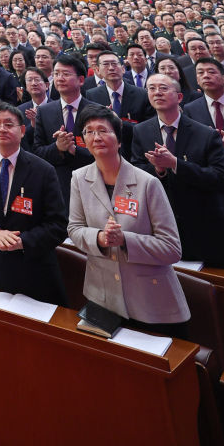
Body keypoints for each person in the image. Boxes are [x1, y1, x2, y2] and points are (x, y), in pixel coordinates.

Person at [68, 108, 189, 334]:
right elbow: (74, 229)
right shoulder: (79, 178)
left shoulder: (148, 183)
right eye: (89, 131)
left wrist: (124, 239)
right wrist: (100, 238)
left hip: (150, 301)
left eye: (103, 130)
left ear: (119, 139)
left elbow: (172, 248)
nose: (96, 137)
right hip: (104, 297)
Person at [0, 103, 67, 304]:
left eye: (9, 124)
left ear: (22, 130)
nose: (2, 129)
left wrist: (22, 241)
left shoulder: (43, 170)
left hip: (35, 268)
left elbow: (58, 225)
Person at [130, 72, 224, 267]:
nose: (157, 92)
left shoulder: (205, 134)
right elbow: (136, 170)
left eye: (163, 88)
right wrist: (158, 170)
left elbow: (218, 177)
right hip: (160, 224)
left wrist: (175, 164)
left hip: (202, 223)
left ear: (179, 97)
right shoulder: (141, 131)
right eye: (151, 88)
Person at [32, 54, 103, 210]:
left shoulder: (97, 111)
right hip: (56, 185)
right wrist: (57, 148)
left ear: (81, 80)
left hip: (92, 182)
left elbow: (104, 152)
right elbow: (37, 152)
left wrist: (74, 150)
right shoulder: (44, 111)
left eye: (65, 74)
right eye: (56, 74)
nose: (60, 78)